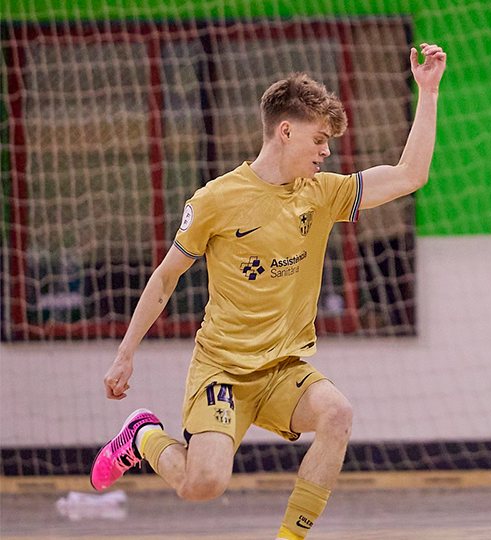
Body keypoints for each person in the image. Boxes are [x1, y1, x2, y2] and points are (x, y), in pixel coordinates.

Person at [92, 43, 446, 540]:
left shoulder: (322, 194)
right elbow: (166, 277)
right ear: (285, 131)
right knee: (203, 485)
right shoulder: (216, 199)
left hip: (282, 371)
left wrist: (427, 91)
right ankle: (142, 436)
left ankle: (290, 537)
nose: (327, 151)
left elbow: (412, 175)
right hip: (223, 370)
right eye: (319, 139)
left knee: (337, 413)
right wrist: (125, 355)